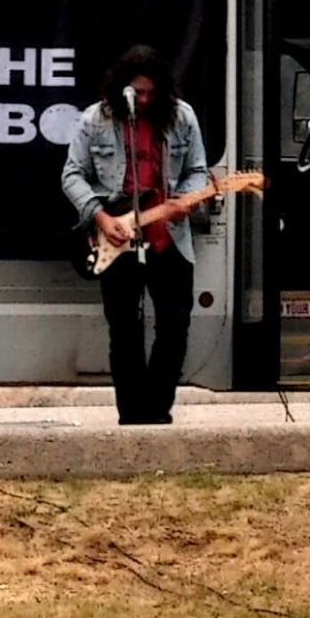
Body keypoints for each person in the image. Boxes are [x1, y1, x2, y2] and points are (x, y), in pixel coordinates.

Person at [61, 46, 210, 425]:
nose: (143, 100)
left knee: (175, 325)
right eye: (136, 92)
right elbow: (72, 174)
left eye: (149, 93)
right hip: (116, 236)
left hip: (169, 236)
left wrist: (186, 199)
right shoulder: (96, 119)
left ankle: (157, 410)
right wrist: (99, 216)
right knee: (124, 329)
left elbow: (197, 169)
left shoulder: (181, 116)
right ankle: (131, 414)